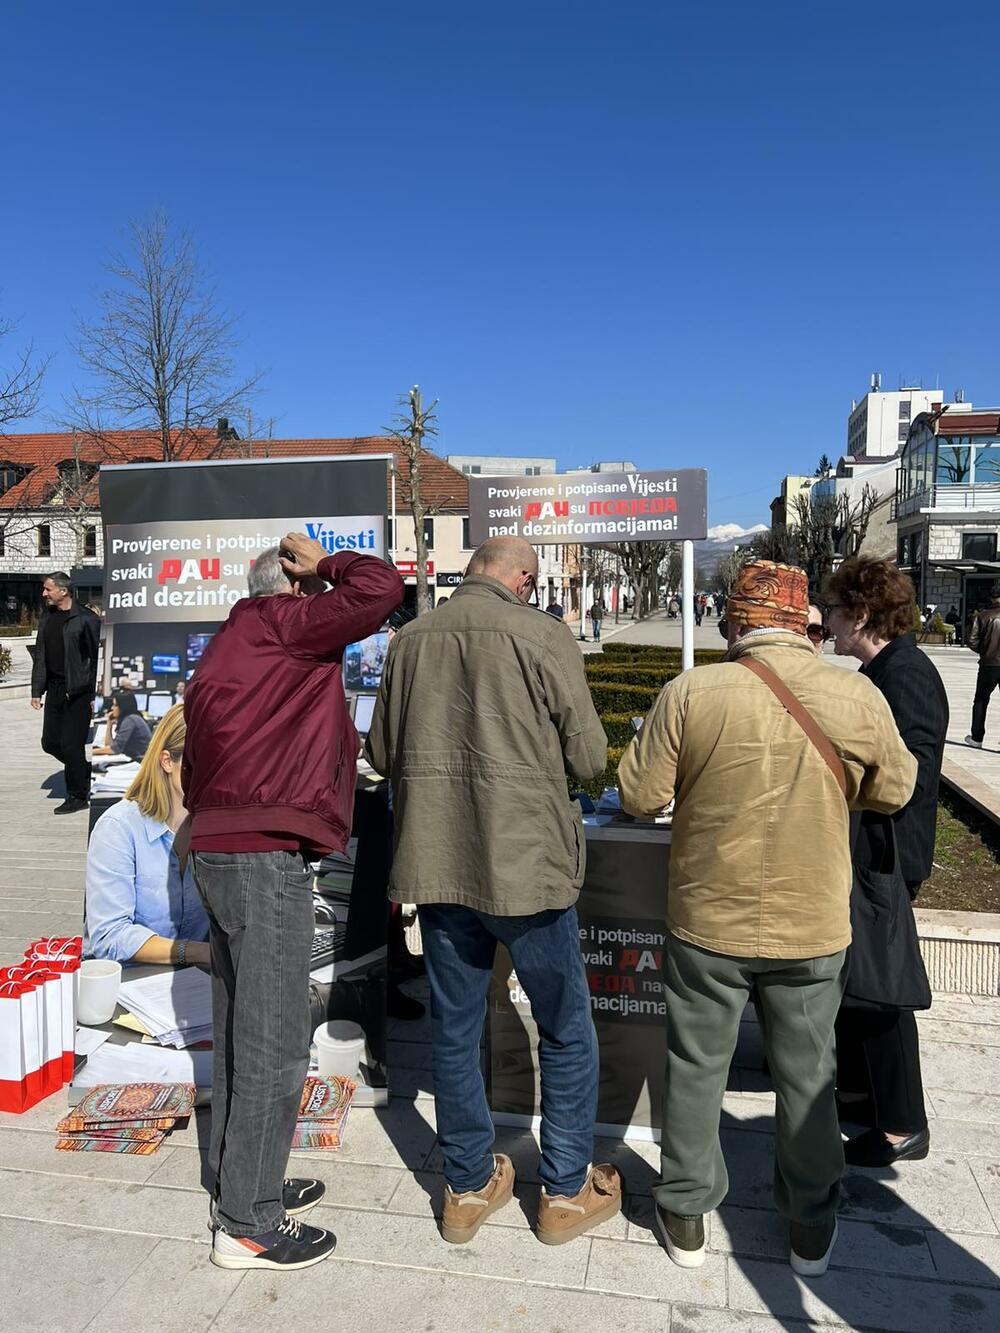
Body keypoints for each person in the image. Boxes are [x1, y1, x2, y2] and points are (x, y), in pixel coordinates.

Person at [617, 560, 917, 1278]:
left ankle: (685, 1214)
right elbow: (897, 786)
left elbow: (637, 793)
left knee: (695, 1067)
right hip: (812, 919)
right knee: (809, 1072)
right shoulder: (853, 693)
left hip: (705, 918)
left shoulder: (692, 691)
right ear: (801, 623)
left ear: (739, 622)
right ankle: (809, 1228)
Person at [365, 536, 622, 1248]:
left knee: (455, 1026)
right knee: (565, 1025)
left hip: (441, 862)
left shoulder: (409, 641)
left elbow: (381, 754)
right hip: (529, 868)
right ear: (523, 578)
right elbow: (592, 756)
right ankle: (566, 1192)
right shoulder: (543, 634)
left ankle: (467, 1188)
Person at [183, 535, 402, 1272]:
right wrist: (329, 561)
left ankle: (244, 1178)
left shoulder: (233, 641)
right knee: (275, 1038)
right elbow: (380, 588)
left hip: (219, 845)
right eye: (315, 593)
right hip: (259, 853)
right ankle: (248, 1221)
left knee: (242, 1024)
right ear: (296, 589)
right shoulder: (286, 621)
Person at [825, 559, 948, 1167]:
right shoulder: (883, 669)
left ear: (862, 614)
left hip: (887, 851)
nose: (827, 621)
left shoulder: (906, 675)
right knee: (860, 977)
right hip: (870, 846)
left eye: (834, 610)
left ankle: (902, 1122)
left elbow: (915, 777)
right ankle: (859, 1094)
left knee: (882, 986)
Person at [85, 704, 210, 965]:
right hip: (130, 980)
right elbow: (110, 936)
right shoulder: (119, 828)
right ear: (167, 761)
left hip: (195, 981)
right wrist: (202, 953)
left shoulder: (214, 828)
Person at [30, 571, 101, 814]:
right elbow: (41, 655)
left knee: (72, 745)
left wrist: (94, 694)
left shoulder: (86, 619)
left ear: (63, 590)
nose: (44, 594)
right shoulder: (47, 618)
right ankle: (82, 770)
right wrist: (36, 690)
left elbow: (96, 658)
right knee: (50, 743)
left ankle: (77, 796)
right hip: (55, 689)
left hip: (79, 691)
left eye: (48, 589)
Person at [965, 586, 1000, 748]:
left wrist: (985, 651)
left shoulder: (982, 616)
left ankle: (977, 738)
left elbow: (971, 640)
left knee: (981, 700)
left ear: (992, 598)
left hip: (989, 664)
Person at [92, 690, 153, 761]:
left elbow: (114, 750)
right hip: (133, 759)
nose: (112, 708)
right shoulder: (129, 718)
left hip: (138, 761)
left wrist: (91, 752)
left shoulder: (130, 719)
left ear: (123, 706)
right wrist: (109, 724)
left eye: (115, 705)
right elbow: (109, 745)